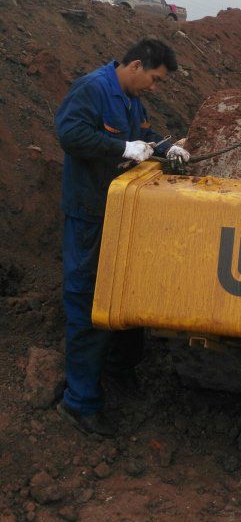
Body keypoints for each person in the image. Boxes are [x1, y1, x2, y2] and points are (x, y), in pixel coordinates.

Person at [55, 38, 188, 437]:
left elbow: (143, 138)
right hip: (90, 216)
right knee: (90, 303)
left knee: (125, 294)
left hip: (121, 214)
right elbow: (70, 135)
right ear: (134, 66)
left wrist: (169, 149)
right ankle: (79, 402)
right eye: (154, 78)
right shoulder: (93, 89)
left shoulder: (131, 99)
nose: (155, 86)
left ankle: (117, 372)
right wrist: (121, 147)